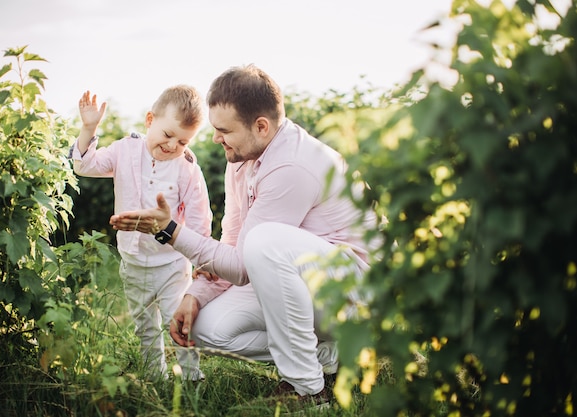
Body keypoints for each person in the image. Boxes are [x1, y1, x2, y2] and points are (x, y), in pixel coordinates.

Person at [109, 65, 381, 405]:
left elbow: (241, 265)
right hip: (307, 281)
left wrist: (169, 230)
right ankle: (331, 356)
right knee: (206, 328)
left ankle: (307, 389)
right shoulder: (240, 159)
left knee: (264, 242)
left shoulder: (291, 164)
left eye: (224, 130)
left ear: (261, 126)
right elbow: (233, 242)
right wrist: (196, 295)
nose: (215, 138)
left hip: (358, 294)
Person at [69, 87, 212, 381]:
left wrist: (202, 264)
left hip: (173, 264)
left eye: (183, 141)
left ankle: (192, 377)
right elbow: (84, 165)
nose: (173, 145)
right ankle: (154, 377)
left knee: (181, 323)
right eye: (168, 134)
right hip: (133, 260)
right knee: (144, 325)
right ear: (150, 120)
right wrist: (89, 128)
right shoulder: (124, 150)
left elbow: (199, 220)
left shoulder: (188, 171)